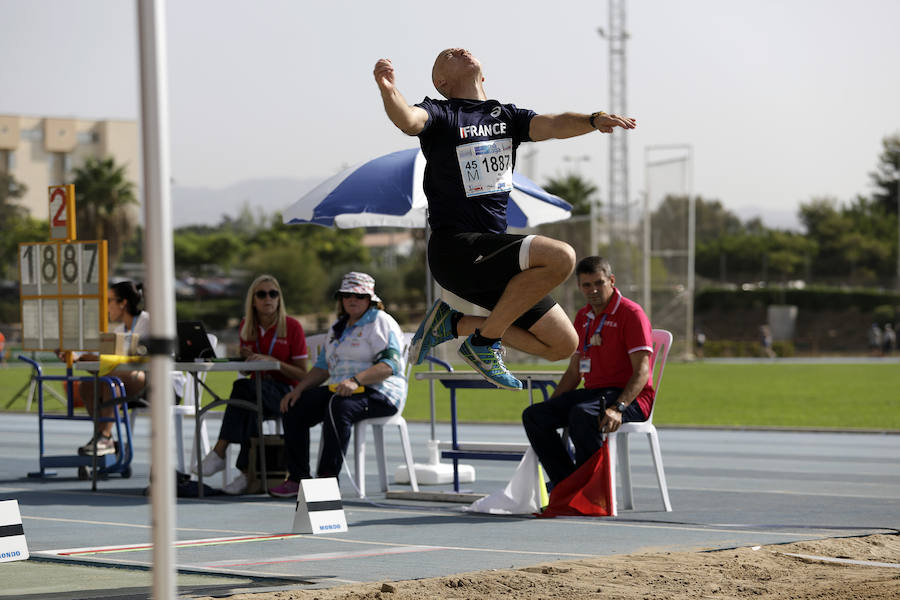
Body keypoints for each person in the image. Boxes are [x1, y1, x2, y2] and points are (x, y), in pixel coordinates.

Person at [374, 49, 637, 390]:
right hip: (457, 248)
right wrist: (387, 88)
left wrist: (592, 119)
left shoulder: (507, 116)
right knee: (561, 257)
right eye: (449, 54)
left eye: (462, 49)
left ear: (483, 77)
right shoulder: (442, 112)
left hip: (490, 252)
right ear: (442, 81)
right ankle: (485, 344)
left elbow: (555, 124)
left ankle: (455, 324)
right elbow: (408, 120)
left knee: (563, 345)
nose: (460, 50)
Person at [269, 272, 407, 498]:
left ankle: (327, 481)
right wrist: (298, 389)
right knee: (294, 406)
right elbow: (323, 367)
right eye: (346, 295)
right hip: (340, 390)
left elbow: (389, 366)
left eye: (359, 296)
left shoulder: (380, 321)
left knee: (338, 407)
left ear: (370, 299)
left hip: (381, 392)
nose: (352, 299)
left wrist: (356, 381)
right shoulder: (337, 327)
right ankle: (297, 479)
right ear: (340, 299)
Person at [522, 256, 655, 488]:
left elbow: (642, 371)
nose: (593, 290)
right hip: (595, 394)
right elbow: (575, 371)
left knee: (581, 415)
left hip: (630, 398)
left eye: (599, 283)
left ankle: (594, 490)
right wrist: (553, 405)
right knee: (535, 416)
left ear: (611, 281)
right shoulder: (583, 317)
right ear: (579, 287)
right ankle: (568, 485)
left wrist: (618, 408)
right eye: (587, 285)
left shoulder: (631, 313)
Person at [195, 275, 308, 495]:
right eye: (262, 294)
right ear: (253, 300)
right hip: (257, 390)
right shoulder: (247, 326)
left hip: (287, 392)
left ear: (279, 299)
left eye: (273, 294)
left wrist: (273, 363)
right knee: (247, 401)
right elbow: (246, 371)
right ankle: (247, 474)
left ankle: (220, 452)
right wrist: (246, 362)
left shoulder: (292, 326)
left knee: (242, 391)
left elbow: (303, 374)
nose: (268, 298)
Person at [72, 281, 149, 456]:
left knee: (111, 382)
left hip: (153, 381)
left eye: (109, 301)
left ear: (123, 303)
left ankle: (104, 437)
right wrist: (80, 358)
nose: (106, 307)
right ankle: (104, 436)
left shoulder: (147, 321)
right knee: (87, 385)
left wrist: (95, 359)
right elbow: (110, 360)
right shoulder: (119, 330)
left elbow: (138, 359)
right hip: (126, 380)